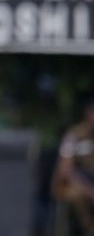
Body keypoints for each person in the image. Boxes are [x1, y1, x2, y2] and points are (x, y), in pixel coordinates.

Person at [52, 99, 94, 235]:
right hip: (72, 183)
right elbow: (65, 170)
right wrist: (89, 190)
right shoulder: (74, 135)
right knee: (76, 195)